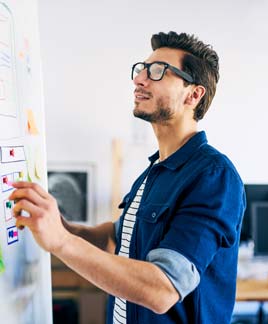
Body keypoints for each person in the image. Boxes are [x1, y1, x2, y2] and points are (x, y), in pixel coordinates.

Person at [9, 31, 246, 324]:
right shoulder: (156, 170)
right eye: (142, 69)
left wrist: (60, 241)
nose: (140, 79)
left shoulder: (213, 176)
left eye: (158, 71)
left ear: (194, 94)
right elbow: (116, 240)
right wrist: (60, 225)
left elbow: (163, 290)